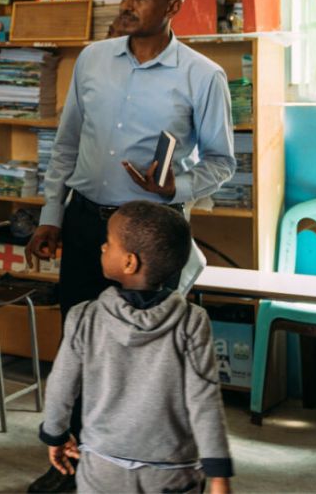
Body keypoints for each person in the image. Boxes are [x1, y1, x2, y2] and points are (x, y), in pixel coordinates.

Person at [24, 0, 235, 493]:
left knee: (147, 360)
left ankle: (151, 467)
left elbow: (222, 162)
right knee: (79, 342)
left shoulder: (202, 76)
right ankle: (68, 463)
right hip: (85, 226)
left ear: (170, 8)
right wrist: (52, 217)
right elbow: (65, 145)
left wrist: (176, 188)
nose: (127, 3)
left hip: (152, 235)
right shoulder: (92, 61)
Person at [39, 201, 233, 494]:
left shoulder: (84, 317)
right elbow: (204, 398)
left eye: (109, 242)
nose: (102, 247)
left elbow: (61, 386)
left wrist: (55, 435)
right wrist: (218, 473)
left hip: (102, 466)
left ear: (129, 262)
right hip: (172, 470)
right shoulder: (192, 321)